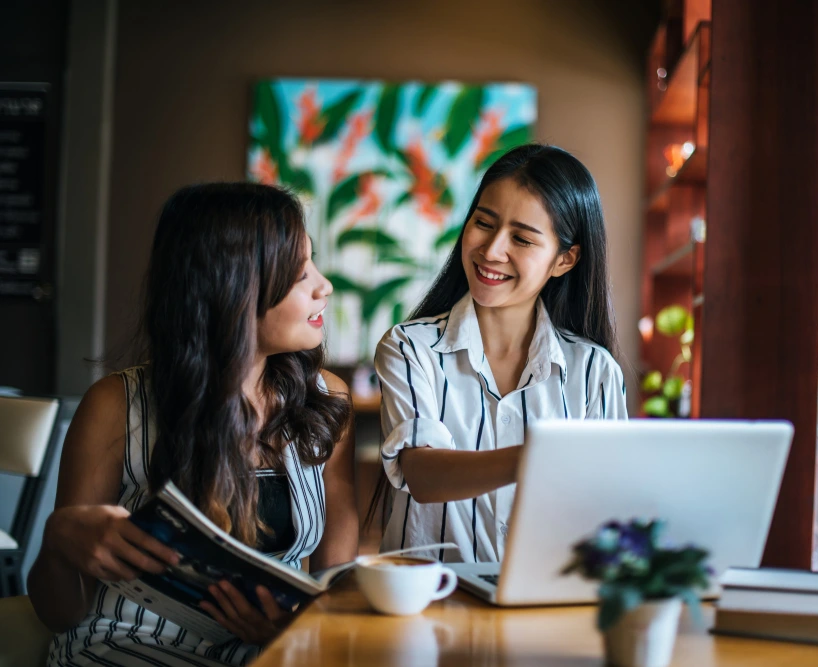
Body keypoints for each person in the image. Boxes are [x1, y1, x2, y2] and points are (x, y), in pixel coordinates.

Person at [28, 183, 358, 666]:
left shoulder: (326, 404)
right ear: (233, 286)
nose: (323, 285)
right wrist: (59, 541)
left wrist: (298, 628)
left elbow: (338, 590)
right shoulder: (116, 405)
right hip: (126, 648)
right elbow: (59, 613)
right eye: (298, 272)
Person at [370, 144, 627, 564]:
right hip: (429, 612)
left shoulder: (594, 371)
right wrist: (538, 457)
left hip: (545, 613)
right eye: (483, 223)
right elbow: (421, 474)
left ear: (564, 260)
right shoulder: (408, 347)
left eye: (522, 239)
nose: (491, 251)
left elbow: (607, 513)